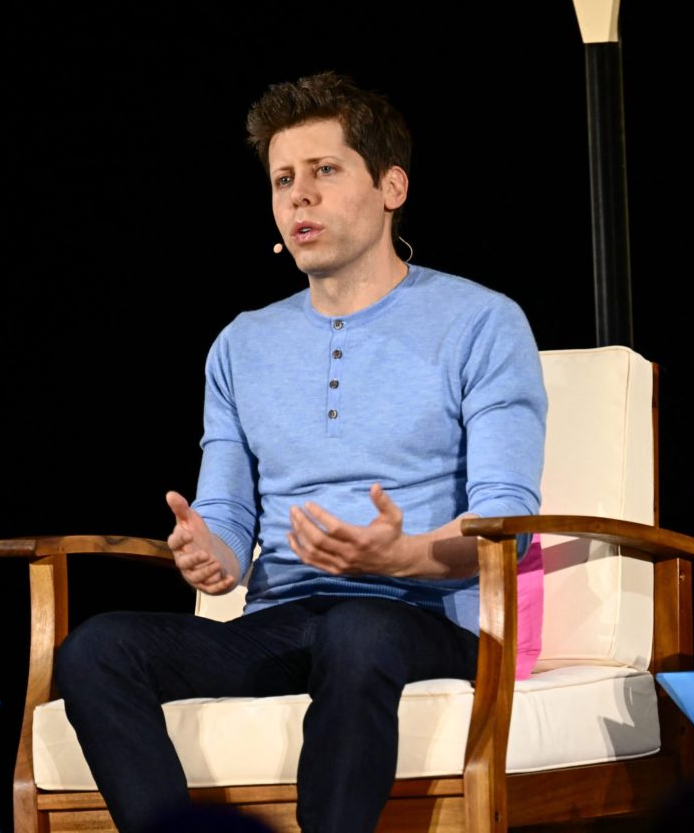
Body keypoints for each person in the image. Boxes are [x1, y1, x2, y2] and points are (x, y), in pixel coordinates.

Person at [55, 72, 547, 833]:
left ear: (391, 187)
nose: (298, 196)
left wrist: (400, 557)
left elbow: (506, 522)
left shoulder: (481, 322)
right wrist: (207, 551)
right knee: (98, 648)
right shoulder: (241, 344)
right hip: (281, 619)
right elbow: (224, 511)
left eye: (324, 171)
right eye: (284, 178)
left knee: (359, 629)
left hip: (421, 620)